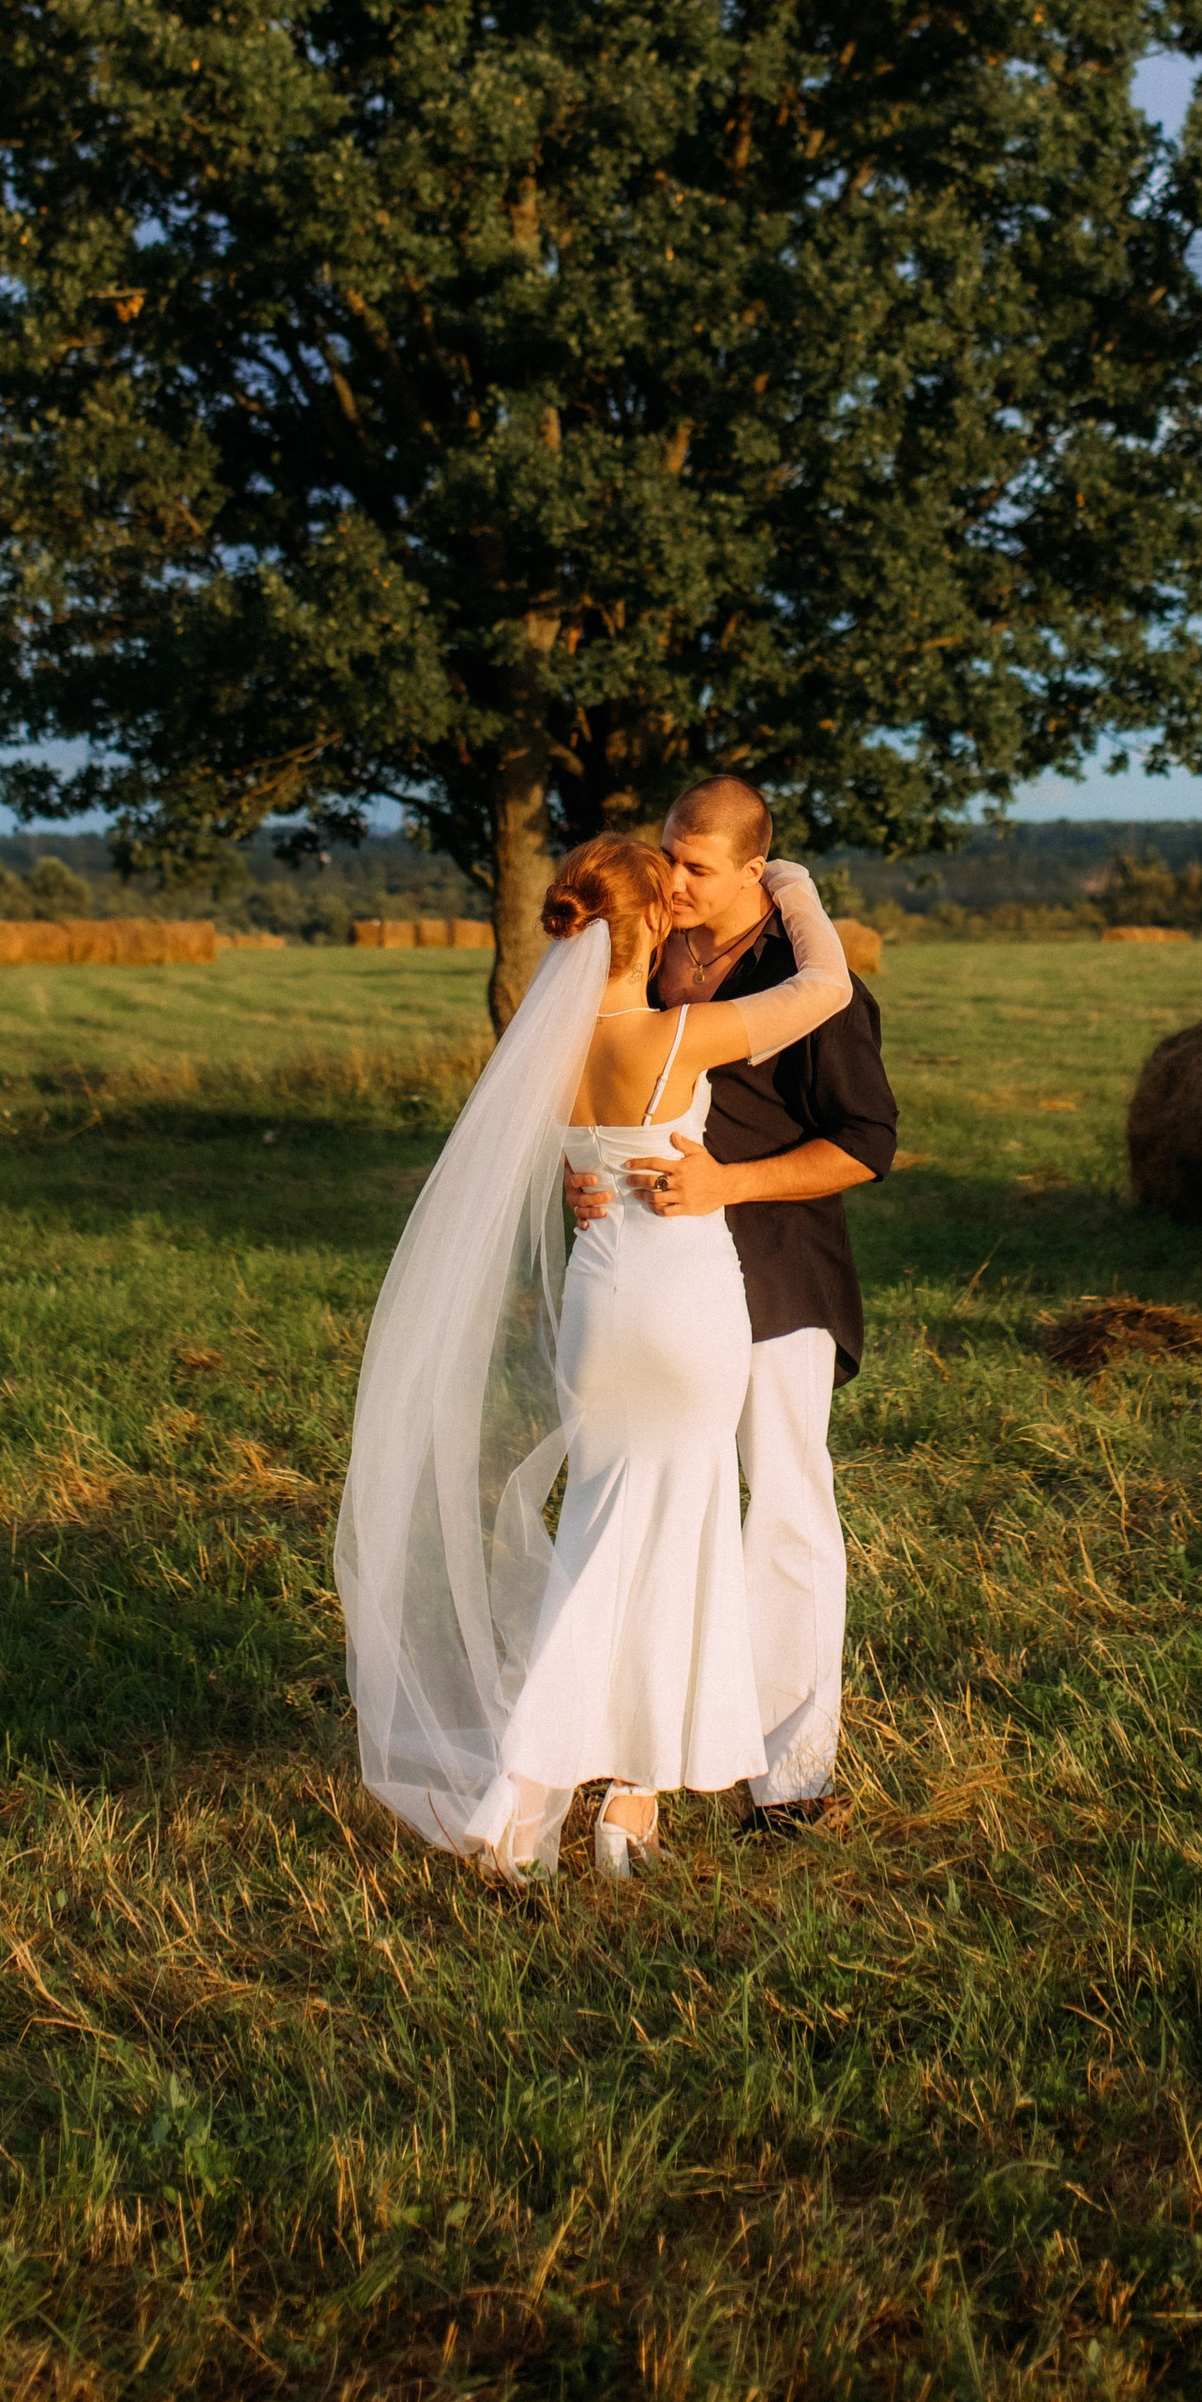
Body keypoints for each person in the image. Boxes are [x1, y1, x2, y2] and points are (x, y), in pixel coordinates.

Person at [335, 833, 854, 1882]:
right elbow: (828, 987)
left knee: (603, 1538)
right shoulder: (680, 1038)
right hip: (682, 1305)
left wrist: (585, 1179)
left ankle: (596, 1803)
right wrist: (788, 881)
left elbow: (535, 1169)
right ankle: (576, 1794)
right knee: (682, 1538)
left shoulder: (549, 1046)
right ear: (651, 921)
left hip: (598, 1311)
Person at [565, 777, 896, 1827]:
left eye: (697, 864)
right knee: (657, 1510)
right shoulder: (643, 951)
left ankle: (791, 1777)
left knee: (785, 1511)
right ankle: (638, 1749)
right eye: (668, 854)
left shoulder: (807, 980)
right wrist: (584, 1176)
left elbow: (863, 1144)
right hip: (651, 1283)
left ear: (756, 869)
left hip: (777, 1276)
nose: (673, 876)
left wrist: (731, 1184)